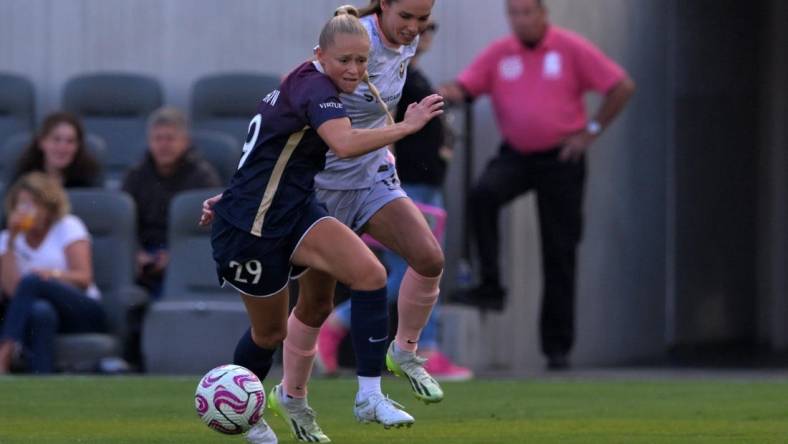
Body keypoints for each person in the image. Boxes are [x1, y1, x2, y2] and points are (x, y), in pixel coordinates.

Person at [198, 7, 443, 443]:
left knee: (370, 275)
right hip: (253, 227)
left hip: (298, 208)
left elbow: (265, 151)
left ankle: (369, 394)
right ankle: (249, 420)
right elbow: (345, 144)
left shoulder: (314, 83)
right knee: (270, 331)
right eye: (344, 61)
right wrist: (406, 127)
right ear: (320, 56)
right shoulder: (316, 90)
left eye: (362, 61)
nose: (354, 70)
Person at [440, 0, 635, 370]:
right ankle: (491, 285)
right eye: (514, 13)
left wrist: (589, 132)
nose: (522, 20)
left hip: (562, 157)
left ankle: (556, 348)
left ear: (544, 14)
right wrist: (445, 91)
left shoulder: (569, 47)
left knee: (559, 250)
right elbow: (466, 86)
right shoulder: (501, 53)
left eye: (528, 12)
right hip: (516, 154)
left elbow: (622, 85)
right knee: (483, 195)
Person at [316, 18, 473, 381]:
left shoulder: (403, 67)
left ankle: (411, 348)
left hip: (418, 182)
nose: (420, 30)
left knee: (424, 265)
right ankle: (406, 346)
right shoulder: (375, 67)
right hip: (399, 183)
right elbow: (349, 123)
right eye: (411, 19)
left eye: (428, 22)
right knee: (411, 268)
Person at [0, 172, 105, 374]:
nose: (27, 211)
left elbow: (84, 279)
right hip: (41, 315)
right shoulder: (6, 239)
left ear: (49, 208)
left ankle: (4, 352)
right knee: (41, 311)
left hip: (83, 310)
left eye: (34, 205)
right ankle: (42, 381)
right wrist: (11, 242)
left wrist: (52, 275)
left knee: (33, 280)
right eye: (22, 205)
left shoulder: (68, 226)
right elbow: (14, 293)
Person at [122, 107, 221, 299]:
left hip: (187, 257)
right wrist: (136, 253)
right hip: (144, 258)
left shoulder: (203, 178)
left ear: (186, 141)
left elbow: (208, 230)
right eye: (158, 139)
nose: (163, 145)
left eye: (170, 138)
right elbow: (122, 225)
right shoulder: (135, 176)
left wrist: (175, 256)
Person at [10, 112, 102, 188]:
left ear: (78, 146)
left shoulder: (88, 178)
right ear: (42, 142)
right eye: (56, 139)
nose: (62, 147)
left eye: (70, 141)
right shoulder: (24, 177)